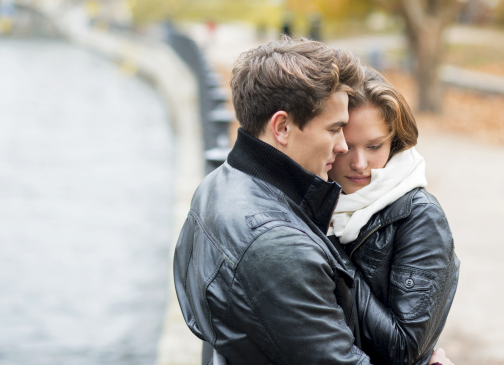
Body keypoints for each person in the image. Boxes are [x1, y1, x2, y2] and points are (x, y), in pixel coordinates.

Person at [173, 37, 454, 365]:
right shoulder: (277, 245)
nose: (342, 149)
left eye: (374, 146)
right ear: (282, 127)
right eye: (336, 130)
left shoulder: (215, 186)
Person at [327, 67, 460, 365]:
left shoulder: (419, 216)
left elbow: (404, 348)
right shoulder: (316, 197)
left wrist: (328, 252)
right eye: (347, 147)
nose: (360, 164)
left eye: (374, 147)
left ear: (394, 142)